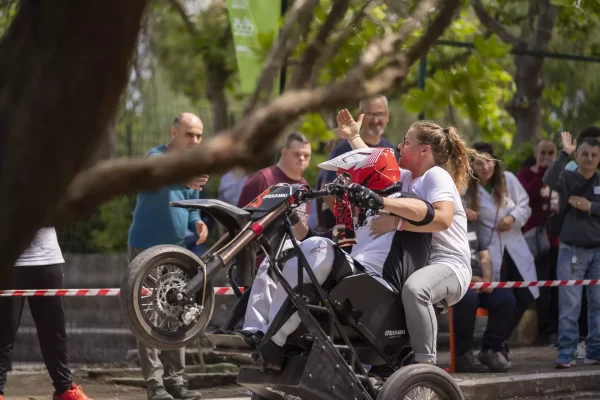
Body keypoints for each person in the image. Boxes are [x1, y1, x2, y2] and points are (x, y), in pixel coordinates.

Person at [227, 147, 434, 369]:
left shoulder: (402, 201)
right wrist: (292, 214)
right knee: (281, 252)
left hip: (378, 292)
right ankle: (253, 331)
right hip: (349, 282)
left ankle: (274, 341)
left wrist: (379, 202)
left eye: (348, 176)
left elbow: (427, 212)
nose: (342, 182)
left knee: (318, 248)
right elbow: (312, 245)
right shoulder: (358, 217)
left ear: (369, 174)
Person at [341, 110, 477, 366]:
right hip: (418, 264)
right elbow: (374, 166)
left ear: (425, 150)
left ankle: (425, 366)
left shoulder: (435, 176)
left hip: (449, 266)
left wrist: (397, 223)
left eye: (407, 142)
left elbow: (443, 219)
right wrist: (354, 137)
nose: (399, 146)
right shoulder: (404, 178)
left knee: (416, 289)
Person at [128, 113, 208, 400]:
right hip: (146, 249)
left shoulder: (194, 167)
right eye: (189, 134)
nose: (195, 141)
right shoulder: (155, 157)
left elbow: (191, 202)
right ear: (174, 133)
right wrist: (185, 178)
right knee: (147, 317)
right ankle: (155, 385)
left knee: (177, 313)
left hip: (176, 251)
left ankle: (175, 381)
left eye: (199, 136)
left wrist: (197, 221)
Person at [464, 142, 539, 366]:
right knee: (504, 298)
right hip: (490, 251)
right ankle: (493, 346)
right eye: (479, 162)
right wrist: (465, 210)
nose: (485, 166)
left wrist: (513, 218)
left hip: (514, 246)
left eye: (488, 161)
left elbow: (524, 204)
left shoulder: (508, 180)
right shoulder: (467, 189)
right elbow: (456, 207)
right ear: (472, 166)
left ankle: (498, 341)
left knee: (525, 296)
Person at [0, 228, 93, 400]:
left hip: (48, 258)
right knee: (4, 333)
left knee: (54, 332)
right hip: (8, 259)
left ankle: (64, 389)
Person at [543, 132, 600, 368]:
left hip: (598, 252)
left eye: (594, 155)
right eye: (584, 154)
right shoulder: (567, 177)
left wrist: (591, 207)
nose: (589, 158)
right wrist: (564, 153)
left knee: (598, 304)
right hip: (571, 251)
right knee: (570, 306)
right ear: (577, 155)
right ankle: (566, 352)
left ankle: (595, 351)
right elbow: (548, 179)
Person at [319, 96, 398, 230]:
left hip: (379, 231)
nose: (375, 120)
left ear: (387, 116)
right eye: (369, 114)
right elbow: (328, 190)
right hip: (347, 232)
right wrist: (351, 222)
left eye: (379, 114)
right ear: (359, 116)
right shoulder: (343, 148)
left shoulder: (391, 151)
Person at [451, 218, 516, 373]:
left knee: (506, 299)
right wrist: (471, 279)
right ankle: (463, 354)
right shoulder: (446, 224)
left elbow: (485, 257)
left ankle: (490, 350)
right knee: (469, 299)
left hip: (479, 283)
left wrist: (486, 280)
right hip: (455, 280)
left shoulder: (473, 225)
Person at [517, 138, 560, 345]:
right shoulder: (526, 174)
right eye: (542, 153)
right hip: (535, 241)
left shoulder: (562, 175)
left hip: (558, 241)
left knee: (560, 287)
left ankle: (559, 329)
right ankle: (545, 331)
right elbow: (527, 195)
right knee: (541, 287)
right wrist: (543, 172)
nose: (546, 157)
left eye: (551, 153)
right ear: (536, 154)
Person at [237, 132, 312, 221]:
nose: (302, 158)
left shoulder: (304, 187)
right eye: (296, 154)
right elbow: (240, 221)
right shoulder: (261, 179)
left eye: (306, 155)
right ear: (284, 153)